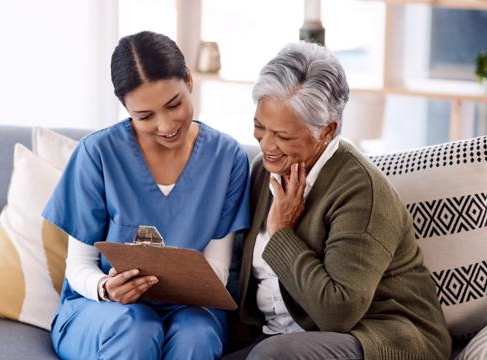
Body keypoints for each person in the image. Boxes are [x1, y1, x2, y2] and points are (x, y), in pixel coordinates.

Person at [225, 42, 451, 360]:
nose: (267, 144)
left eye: (284, 136)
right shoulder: (263, 171)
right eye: (260, 127)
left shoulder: (362, 192)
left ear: (327, 130)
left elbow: (337, 313)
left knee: (273, 356)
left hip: (379, 337)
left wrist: (281, 234)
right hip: (282, 337)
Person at [42, 31, 250, 360]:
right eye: (145, 117)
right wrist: (106, 288)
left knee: (196, 336)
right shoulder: (98, 154)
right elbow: (79, 266)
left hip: (192, 310)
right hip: (105, 312)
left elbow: (218, 266)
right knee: (137, 328)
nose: (166, 125)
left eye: (174, 104)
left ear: (190, 81)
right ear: (125, 108)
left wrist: (188, 289)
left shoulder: (227, 158)